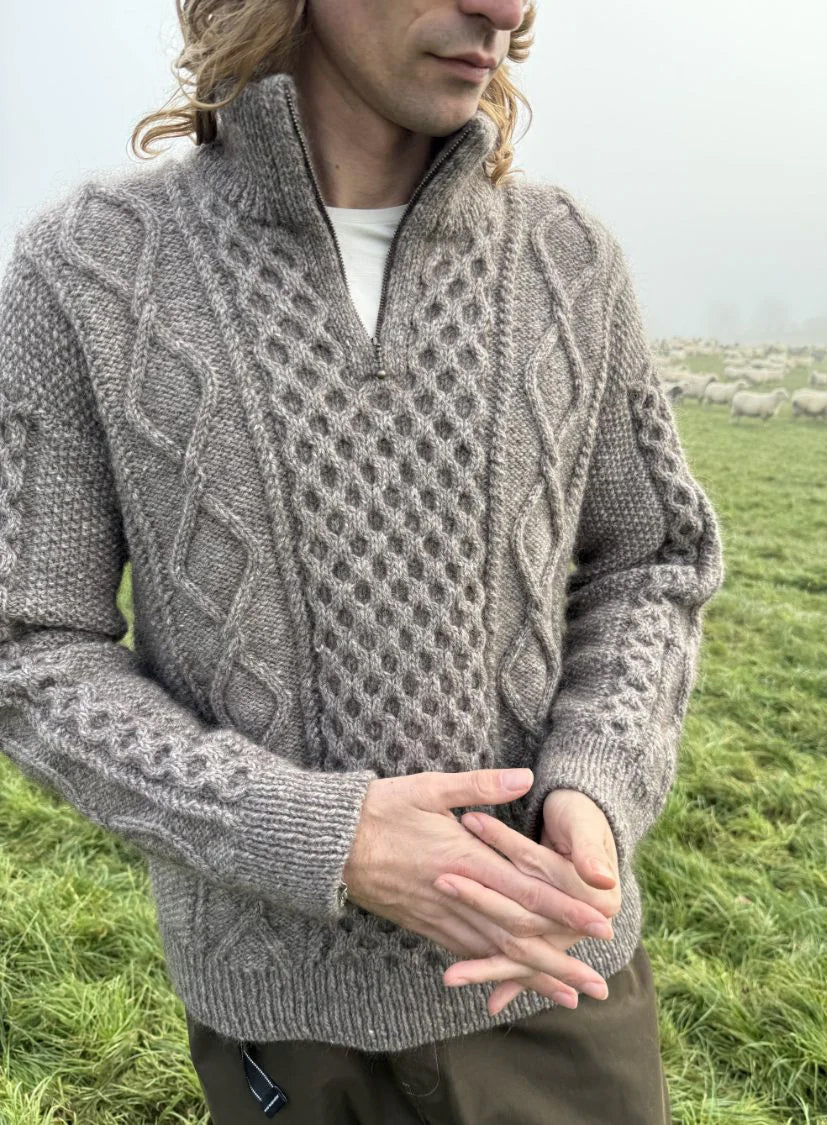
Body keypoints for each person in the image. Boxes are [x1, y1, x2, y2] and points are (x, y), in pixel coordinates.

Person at [0, 1, 725, 1121]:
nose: (507, 9)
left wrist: (600, 773)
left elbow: (654, 559)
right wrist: (313, 835)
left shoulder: (569, 259)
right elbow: (31, 648)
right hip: (286, 1029)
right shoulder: (87, 271)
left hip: (556, 989)